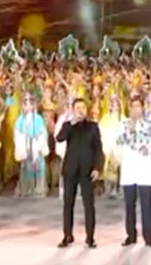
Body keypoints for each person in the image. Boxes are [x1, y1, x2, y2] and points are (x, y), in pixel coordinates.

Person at [115, 95, 151, 248]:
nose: (135, 109)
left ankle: (149, 237)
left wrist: (149, 149)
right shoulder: (123, 124)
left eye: (138, 106)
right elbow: (118, 141)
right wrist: (129, 131)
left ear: (143, 108)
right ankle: (131, 235)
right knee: (129, 204)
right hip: (129, 168)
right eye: (133, 106)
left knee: (146, 204)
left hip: (145, 167)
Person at [55, 95, 103, 248]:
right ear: (73, 110)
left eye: (83, 108)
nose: (80, 111)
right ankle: (67, 235)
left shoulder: (93, 127)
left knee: (89, 205)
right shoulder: (68, 125)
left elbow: (98, 149)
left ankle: (90, 237)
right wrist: (71, 123)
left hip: (87, 171)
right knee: (68, 204)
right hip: (70, 170)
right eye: (77, 108)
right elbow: (59, 138)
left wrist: (97, 167)